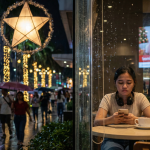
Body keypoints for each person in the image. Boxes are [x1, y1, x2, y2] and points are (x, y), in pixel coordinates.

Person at [94, 66, 150, 150]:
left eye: (128, 82)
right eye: (120, 82)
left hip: (135, 139)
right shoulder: (108, 98)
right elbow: (96, 122)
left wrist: (135, 120)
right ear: (115, 83)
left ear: (134, 83)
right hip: (112, 139)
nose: (124, 86)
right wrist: (111, 120)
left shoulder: (140, 97)